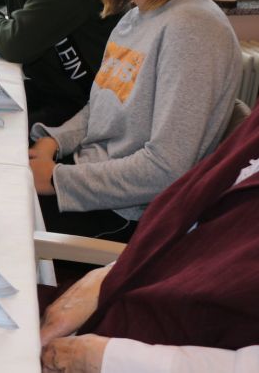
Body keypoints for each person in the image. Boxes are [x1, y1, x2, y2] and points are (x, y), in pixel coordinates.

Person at [29, 0, 240, 243]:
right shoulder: (135, 17)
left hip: (125, 217)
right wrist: (54, 141)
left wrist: (55, 179)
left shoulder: (193, 28)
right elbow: (103, 105)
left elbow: (166, 168)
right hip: (91, 182)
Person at [38, 101, 259, 373]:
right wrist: (108, 277)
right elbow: (190, 217)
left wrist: (106, 359)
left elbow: (164, 168)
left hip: (143, 347)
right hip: (133, 301)